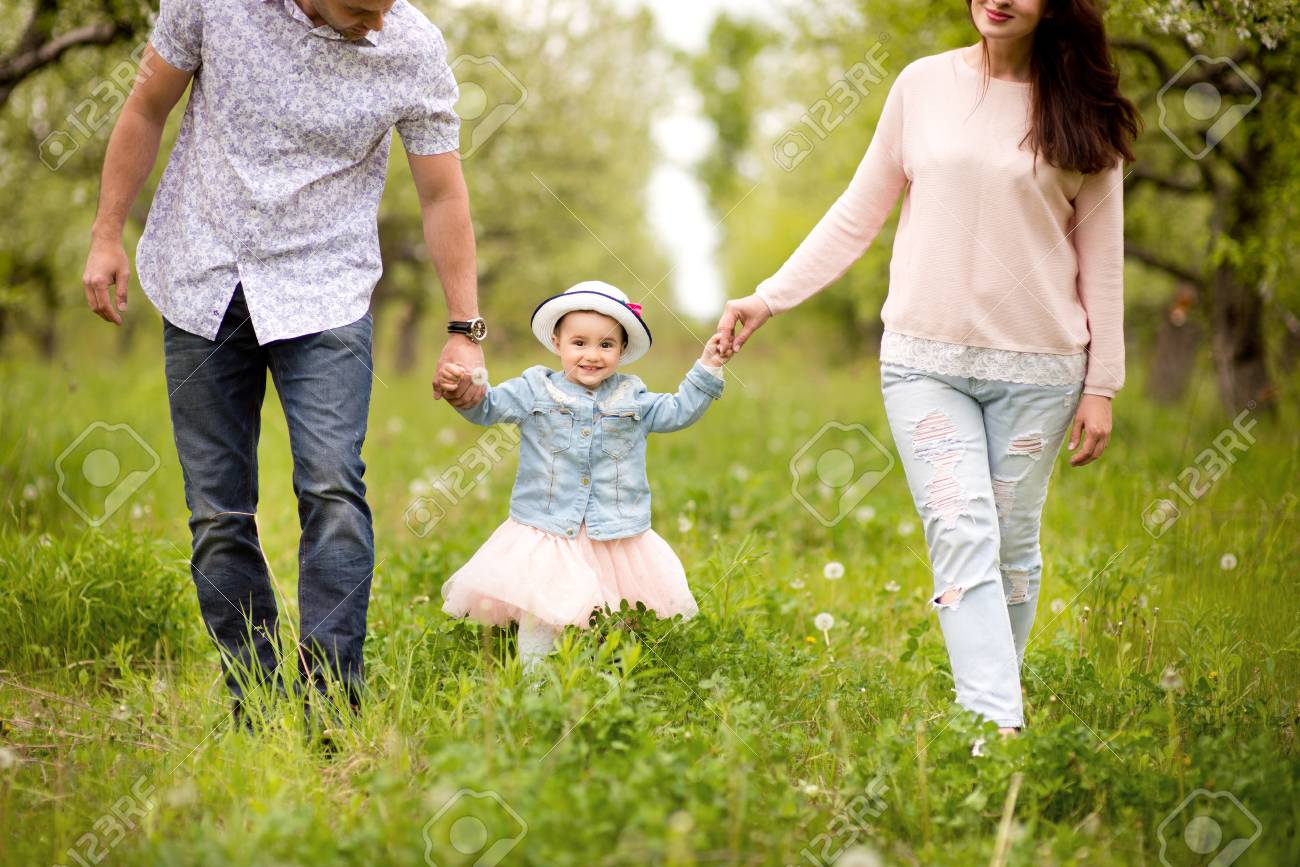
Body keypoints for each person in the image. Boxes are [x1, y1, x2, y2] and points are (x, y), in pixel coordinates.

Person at [715, 0, 1140, 735]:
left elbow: (1103, 264)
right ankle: (996, 727)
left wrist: (1102, 384)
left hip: (1039, 371)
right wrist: (769, 296)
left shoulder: (1083, 109)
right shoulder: (920, 85)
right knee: (960, 526)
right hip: (923, 361)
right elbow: (858, 211)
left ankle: (992, 704)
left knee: (1011, 544)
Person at [80, 0, 487, 722]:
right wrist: (107, 232)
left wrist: (464, 326)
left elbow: (442, 192)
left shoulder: (412, 46)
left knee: (333, 488)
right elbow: (146, 105)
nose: (380, 22)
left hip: (324, 289)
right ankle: (258, 699)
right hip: (203, 274)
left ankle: (331, 704)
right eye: (362, 10)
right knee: (217, 514)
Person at [437, 282, 726, 668]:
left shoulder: (633, 398)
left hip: (613, 528)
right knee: (541, 606)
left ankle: (602, 676)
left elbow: (678, 411)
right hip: (548, 526)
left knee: (609, 609)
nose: (592, 356)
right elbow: (487, 408)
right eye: (579, 343)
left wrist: (708, 365)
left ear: (622, 351)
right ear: (557, 343)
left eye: (606, 345)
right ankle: (534, 683)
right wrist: (463, 388)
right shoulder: (534, 389)